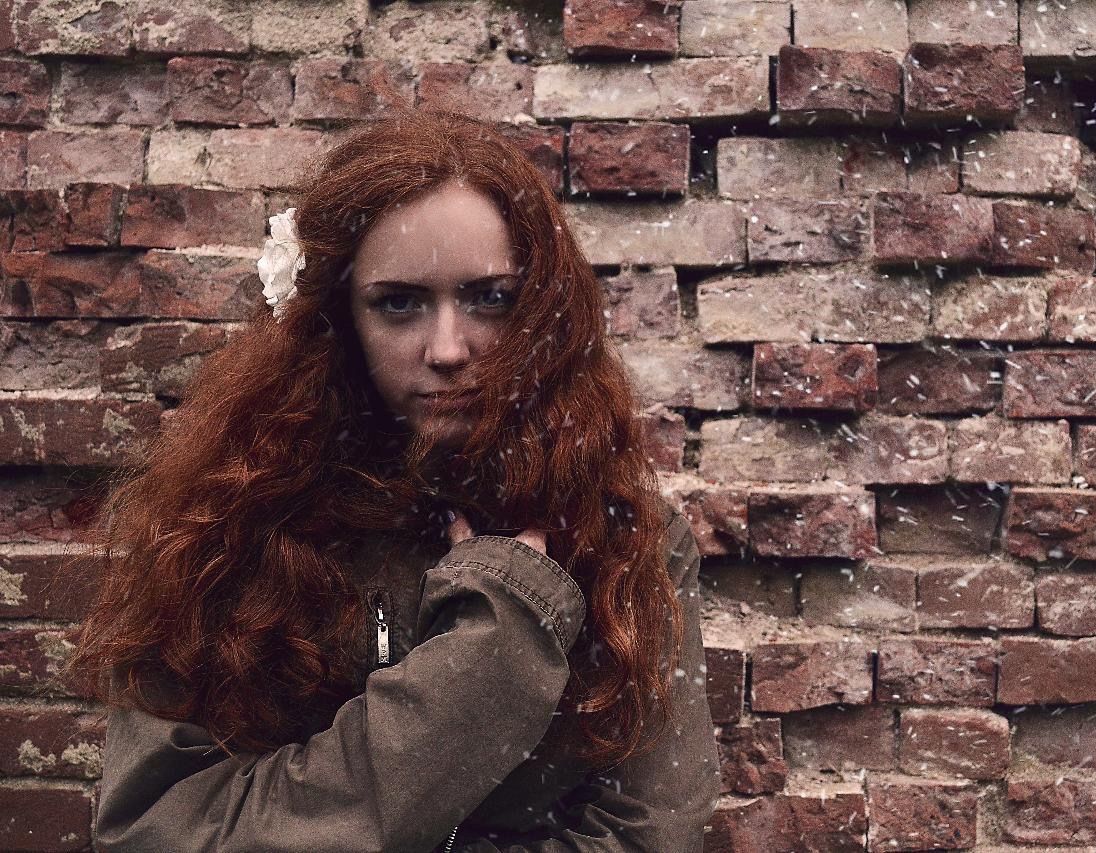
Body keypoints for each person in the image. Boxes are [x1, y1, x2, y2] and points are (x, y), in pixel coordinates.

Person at [63, 104, 721, 852]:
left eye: (490, 299)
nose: (448, 348)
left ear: (542, 312)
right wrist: (489, 653)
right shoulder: (228, 519)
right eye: (400, 303)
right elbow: (157, 833)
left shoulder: (625, 533)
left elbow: (649, 834)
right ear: (341, 316)